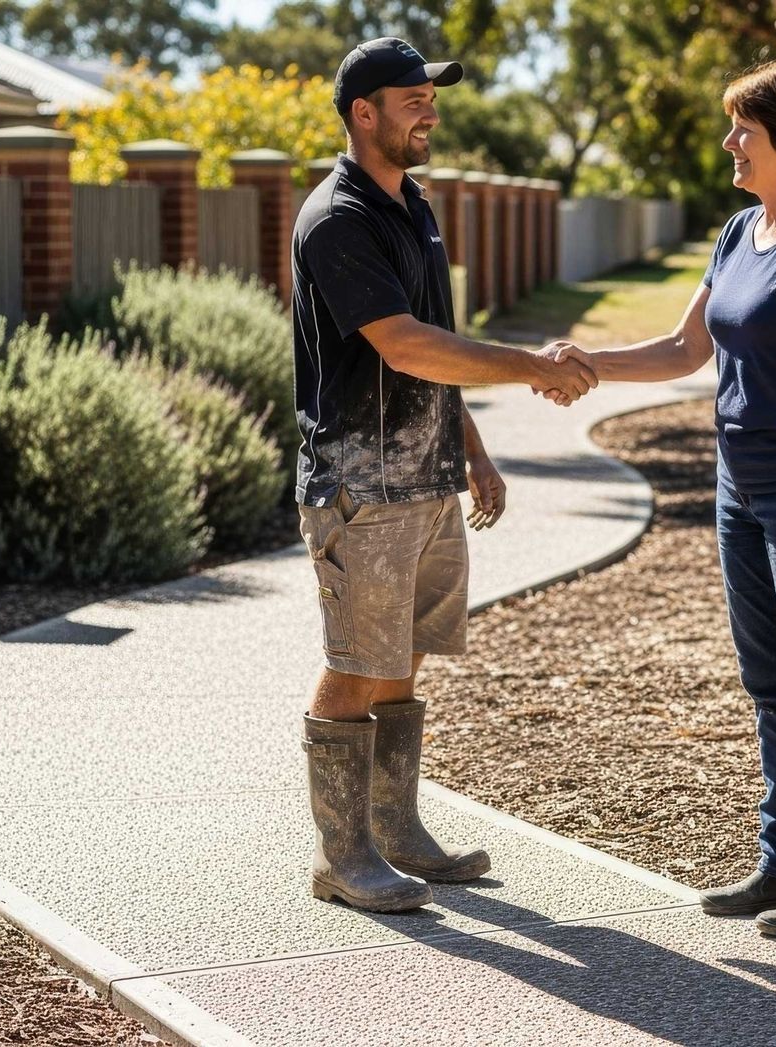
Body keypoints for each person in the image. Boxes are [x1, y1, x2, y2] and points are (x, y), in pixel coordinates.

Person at [573, 60, 776, 938]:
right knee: (769, 682)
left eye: (744, 129)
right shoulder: (739, 229)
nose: (729, 143)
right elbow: (683, 349)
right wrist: (588, 364)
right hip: (738, 489)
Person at [293, 37, 598, 913]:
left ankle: (395, 833)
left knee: (404, 659)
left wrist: (472, 447)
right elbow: (402, 342)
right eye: (411, 96)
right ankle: (341, 855)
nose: (429, 107)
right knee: (357, 664)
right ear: (363, 112)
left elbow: (435, 350)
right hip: (358, 485)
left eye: (431, 94)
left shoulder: (412, 204)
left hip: (424, 479)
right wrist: (533, 366)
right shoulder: (337, 216)